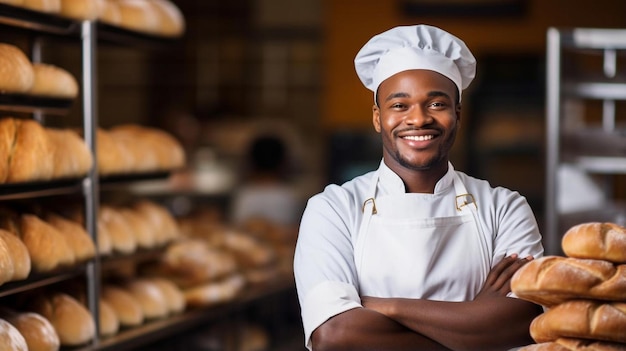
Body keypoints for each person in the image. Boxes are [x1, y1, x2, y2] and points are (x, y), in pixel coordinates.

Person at [293, 24, 545, 351]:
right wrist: (474, 323)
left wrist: (385, 306)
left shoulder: (504, 208)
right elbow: (334, 336)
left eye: (437, 104)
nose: (418, 119)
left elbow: (525, 323)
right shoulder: (333, 208)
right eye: (399, 105)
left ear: (457, 113)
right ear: (377, 117)